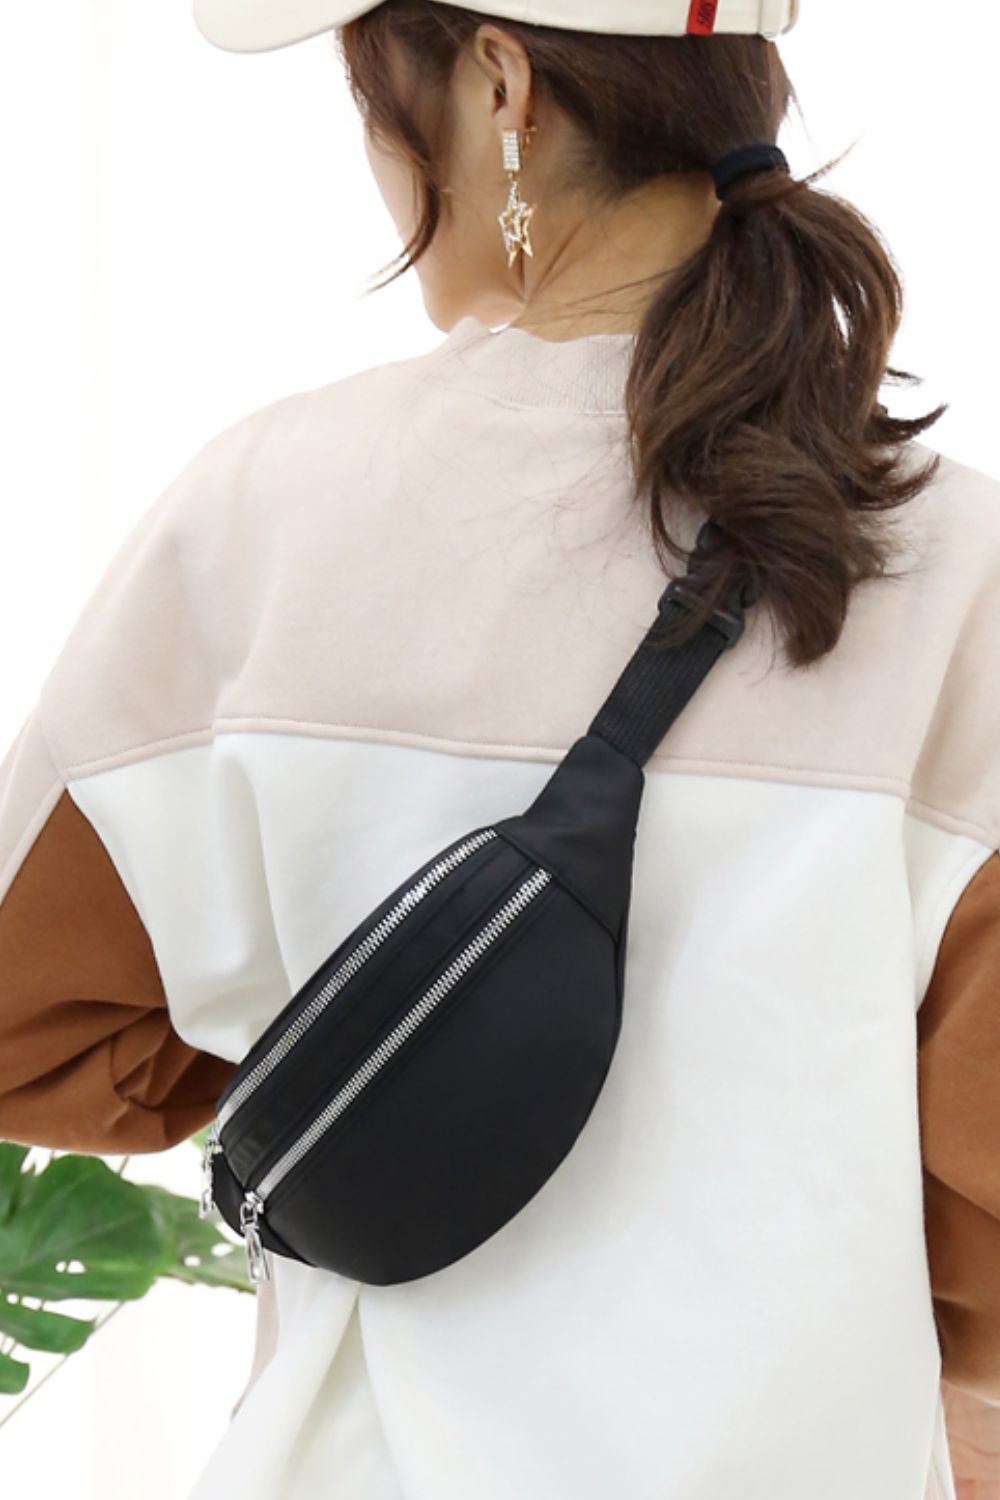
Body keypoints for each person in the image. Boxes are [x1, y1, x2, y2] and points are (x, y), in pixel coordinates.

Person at [0, 1, 997, 1496]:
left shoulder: (265, 514)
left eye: (371, 107)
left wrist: (376, 1038)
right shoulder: (960, 564)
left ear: (500, 85)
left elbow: (30, 1023)